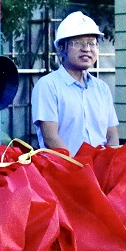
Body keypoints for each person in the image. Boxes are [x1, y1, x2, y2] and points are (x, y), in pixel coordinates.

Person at [31, 11, 118, 155]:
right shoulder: (48, 86)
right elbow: (50, 138)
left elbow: (112, 135)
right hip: (63, 167)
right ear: (62, 48)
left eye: (92, 43)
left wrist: (109, 162)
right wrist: (78, 166)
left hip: (100, 168)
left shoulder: (102, 88)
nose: (87, 49)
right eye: (78, 43)